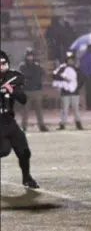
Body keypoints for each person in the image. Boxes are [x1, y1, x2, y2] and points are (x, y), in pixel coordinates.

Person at [0, 50, 39, 189]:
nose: (1, 66)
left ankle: (27, 178)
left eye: (3, 63)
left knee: (24, 150)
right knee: (3, 150)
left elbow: (23, 99)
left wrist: (12, 90)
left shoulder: (13, 78)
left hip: (9, 120)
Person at [18, 48, 48, 132]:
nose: (30, 57)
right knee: (25, 110)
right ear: (26, 56)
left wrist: (38, 83)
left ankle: (41, 126)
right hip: (26, 91)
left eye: (31, 55)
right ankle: (24, 126)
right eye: (28, 56)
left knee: (39, 110)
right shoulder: (22, 66)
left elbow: (43, 75)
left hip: (36, 91)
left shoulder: (38, 66)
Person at [52, 51, 84, 130]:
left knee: (76, 109)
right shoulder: (62, 68)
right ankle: (62, 124)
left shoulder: (77, 68)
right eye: (69, 59)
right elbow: (54, 75)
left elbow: (81, 79)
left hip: (75, 93)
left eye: (72, 59)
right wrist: (63, 78)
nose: (70, 61)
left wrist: (77, 88)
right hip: (65, 93)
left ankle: (78, 123)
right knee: (64, 109)